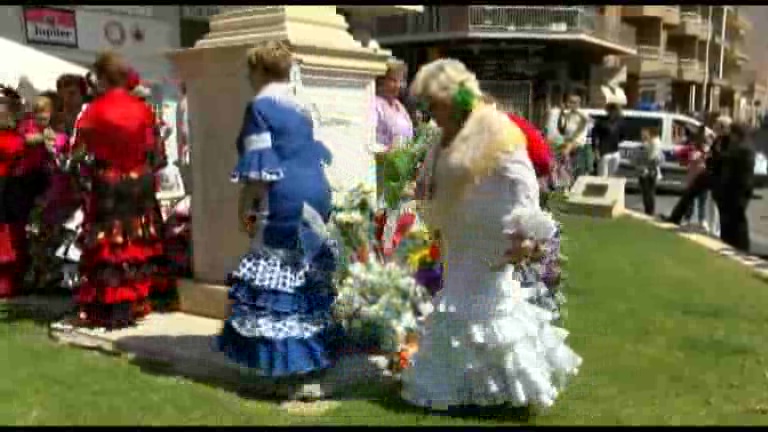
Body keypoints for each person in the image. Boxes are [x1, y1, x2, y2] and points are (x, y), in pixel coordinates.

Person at [404, 59, 581, 412]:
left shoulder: (496, 130)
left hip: (493, 237)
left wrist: (527, 233)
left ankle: (504, 388)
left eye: (434, 104)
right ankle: (465, 388)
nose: (431, 113)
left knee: (490, 307)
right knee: (458, 303)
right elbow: (433, 179)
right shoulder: (446, 137)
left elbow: (524, 181)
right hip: (460, 235)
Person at [213, 41, 338, 385]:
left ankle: (283, 362)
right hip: (317, 191)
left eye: (250, 71)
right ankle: (313, 350)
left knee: (274, 272)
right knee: (304, 270)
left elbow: (258, 171)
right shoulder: (302, 105)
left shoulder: (260, 107)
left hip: (284, 196)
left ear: (260, 70)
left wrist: (245, 207)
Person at [69, 51, 175, 329]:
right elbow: (157, 154)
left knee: (111, 242)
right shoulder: (143, 109)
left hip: (108, 182)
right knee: (137, 240)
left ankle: (115, 305)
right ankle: (140, 299)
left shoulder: (94, 110)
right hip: (139, 182)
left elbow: (78, 155)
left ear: (102, 78)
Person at [0, 87, 28, 297]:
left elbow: (14, 150)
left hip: (9, 190)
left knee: (10, 236)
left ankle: (9, 283)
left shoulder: (16, 137)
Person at [712, 123, 755, 252]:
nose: (730, 136)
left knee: (737, 219)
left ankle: (741, 247)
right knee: (732, 219)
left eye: (731, 133)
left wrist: (718, 150)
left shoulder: (743, 148)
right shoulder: (739, 146)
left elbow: (727, 157)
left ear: (736, 134)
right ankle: (732, 243)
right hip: (735, 188)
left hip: (739, 189)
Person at [592, 103, 625, 178]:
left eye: (615, 110)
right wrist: (595, 150)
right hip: (603, 152)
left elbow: (623, 136)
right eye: (611, 110)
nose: (613, 112)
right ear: (608, 111)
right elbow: (594, 137)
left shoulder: (620, 122)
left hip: (615, 152)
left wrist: (615, 141)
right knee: (602, 177)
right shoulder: (601, 122)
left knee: (611, 177)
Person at [635, 127, 662, 216]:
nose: (643, 135)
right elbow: (635, 160)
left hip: (650, 171)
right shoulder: (643, 146)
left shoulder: (652, 143)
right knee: (646, 192)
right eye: (642, 134)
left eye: (645, 134)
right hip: (644, 171)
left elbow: (658, 158)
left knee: (649, 192)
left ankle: (650, 211)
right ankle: (649, 210)